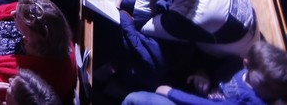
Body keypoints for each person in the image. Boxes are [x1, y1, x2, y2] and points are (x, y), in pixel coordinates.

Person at [119, 40, 287, 105]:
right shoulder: (235, 65)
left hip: (197, 102)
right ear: (247, 65)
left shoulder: (255, 101)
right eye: (266, 84)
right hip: (200, 93)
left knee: (135, 99)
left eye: (277, 90)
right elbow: (215, 67)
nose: (271, 93)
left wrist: (170, 92)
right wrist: (204, 74)